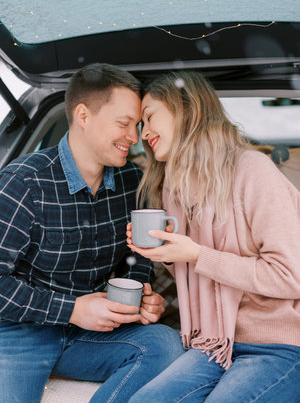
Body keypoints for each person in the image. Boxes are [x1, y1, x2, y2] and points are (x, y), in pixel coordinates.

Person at [0, 63, 184, 403]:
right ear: (83, 116)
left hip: (91, 333)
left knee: (165, 345)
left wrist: (139, 297)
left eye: (138, 125)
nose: (135, 137)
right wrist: (70, 309)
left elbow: (136, 255)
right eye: (123, 123)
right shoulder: (23, 182)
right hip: (18, 331)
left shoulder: (130, 181)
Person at [127, 70, 300, 402]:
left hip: (277, 344)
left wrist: (196, 255)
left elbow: (290, 275)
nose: (143, 133)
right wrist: (163, 254)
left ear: (185, 108)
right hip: (214, 342)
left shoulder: (252, 169)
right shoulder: (173, 192)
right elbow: (200, 273)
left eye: (149, 118)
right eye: (139, 126)